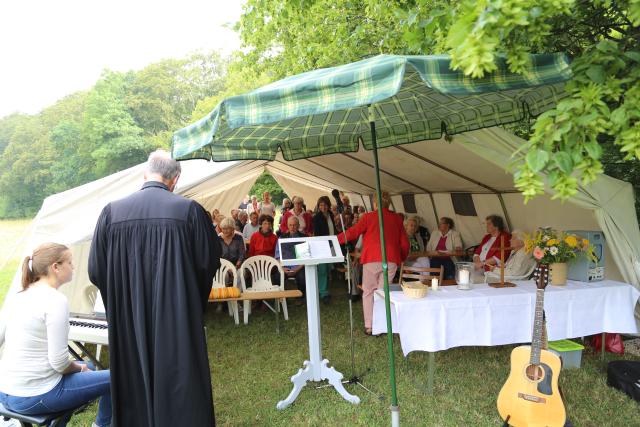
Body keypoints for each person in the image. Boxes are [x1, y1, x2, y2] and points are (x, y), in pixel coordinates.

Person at [88, 150, 221, 427]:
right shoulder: (189, 211)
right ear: (175, 180)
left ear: (145, 174)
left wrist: (123, 303)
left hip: (128, 320)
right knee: (180, 379)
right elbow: (207, 263)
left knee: (132, 379)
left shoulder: (111, 213)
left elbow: (96, 270)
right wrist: (188, 300)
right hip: (177, 316)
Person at [0, 243, 111, 427]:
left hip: (5, 391)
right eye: (70, 262)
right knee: (116, 377)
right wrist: (79, 368)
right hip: (33, 396)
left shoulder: (19, 296)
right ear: (56, 267)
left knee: (90, 365)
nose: (74, 267)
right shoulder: (55, 301)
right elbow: (59, 363)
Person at [338, 191, 409, 335]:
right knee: (383, 292)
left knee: (369, 291)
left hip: (371, 258)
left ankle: (370, 325)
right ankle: (382, 323)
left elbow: (352, 232)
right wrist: (400, 257)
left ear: (374, 203)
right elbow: (405, 243)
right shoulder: (396, 218)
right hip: (390, 259)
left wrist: (335, 240)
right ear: (388, 203)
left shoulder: (368, 217)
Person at [275, 216, 307, 303]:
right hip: (285, 267)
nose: (292, 227)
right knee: (276, 278)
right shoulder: (281, 238)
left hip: (299, 267)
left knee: (303, 277)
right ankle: (282, 298)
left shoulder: (304, 238)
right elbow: (277, 256)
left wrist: (296, 269)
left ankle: (301, 297)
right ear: (287, 226)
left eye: (294, 225)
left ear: (298, 225)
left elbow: (306, 258)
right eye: (290, 225)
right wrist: (282, 268)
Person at [312, 196, 337, 304]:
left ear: (328, 205)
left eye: (325, 205)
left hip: (331, 244)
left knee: (328, 268)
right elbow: (317, 234)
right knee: (322, 269)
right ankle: (323, 292)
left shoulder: (331, 215)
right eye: (321, 205)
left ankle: (323, 289)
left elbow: (333, 229)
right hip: (322, 246)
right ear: (318, 206)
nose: (323, 207)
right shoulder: (316, 218)